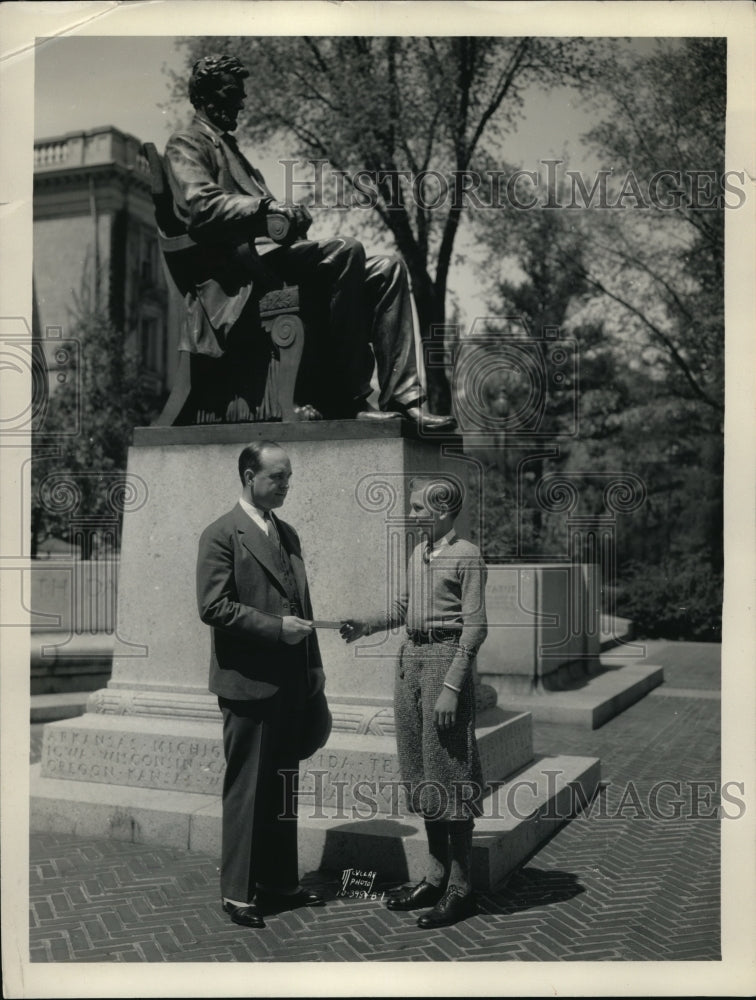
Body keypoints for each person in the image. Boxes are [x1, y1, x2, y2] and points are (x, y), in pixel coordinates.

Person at [163, 52, 455, 430]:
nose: (241, 102)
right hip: (235, 277)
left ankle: (404, 398)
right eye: (231, 93)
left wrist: (287, 217)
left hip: (264, 264)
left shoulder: (232, 150)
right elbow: (200, 205)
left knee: (388, 269)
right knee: (346, 250)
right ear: (204, 96)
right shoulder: (186, 143)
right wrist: (267, 207)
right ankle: (349, 398)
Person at [340, 475, 488, 928]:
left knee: (451, 773)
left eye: (419, 508)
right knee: (422, 771)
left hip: (444, 662)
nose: (411, 514)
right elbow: (403, 609)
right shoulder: (418, 552)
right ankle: (435, 878)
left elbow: (475, 627)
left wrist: (453, 686)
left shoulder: (467, 555)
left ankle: (461, 889)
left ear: (441, 510)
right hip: (410, 663)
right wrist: (366, 624)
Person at [196, 440, 330, 929]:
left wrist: (314, 667)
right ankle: (237, 893)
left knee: (281, 787)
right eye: (277, 477)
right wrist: (276, 629)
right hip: (247, 685)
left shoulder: (287, 532)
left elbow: (303, 605)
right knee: (247, 790)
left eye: (288, 477)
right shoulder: (220, 534)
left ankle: (279, 884)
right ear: (250, 476)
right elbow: (213, 607)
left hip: (291, 682)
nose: (285, 486)